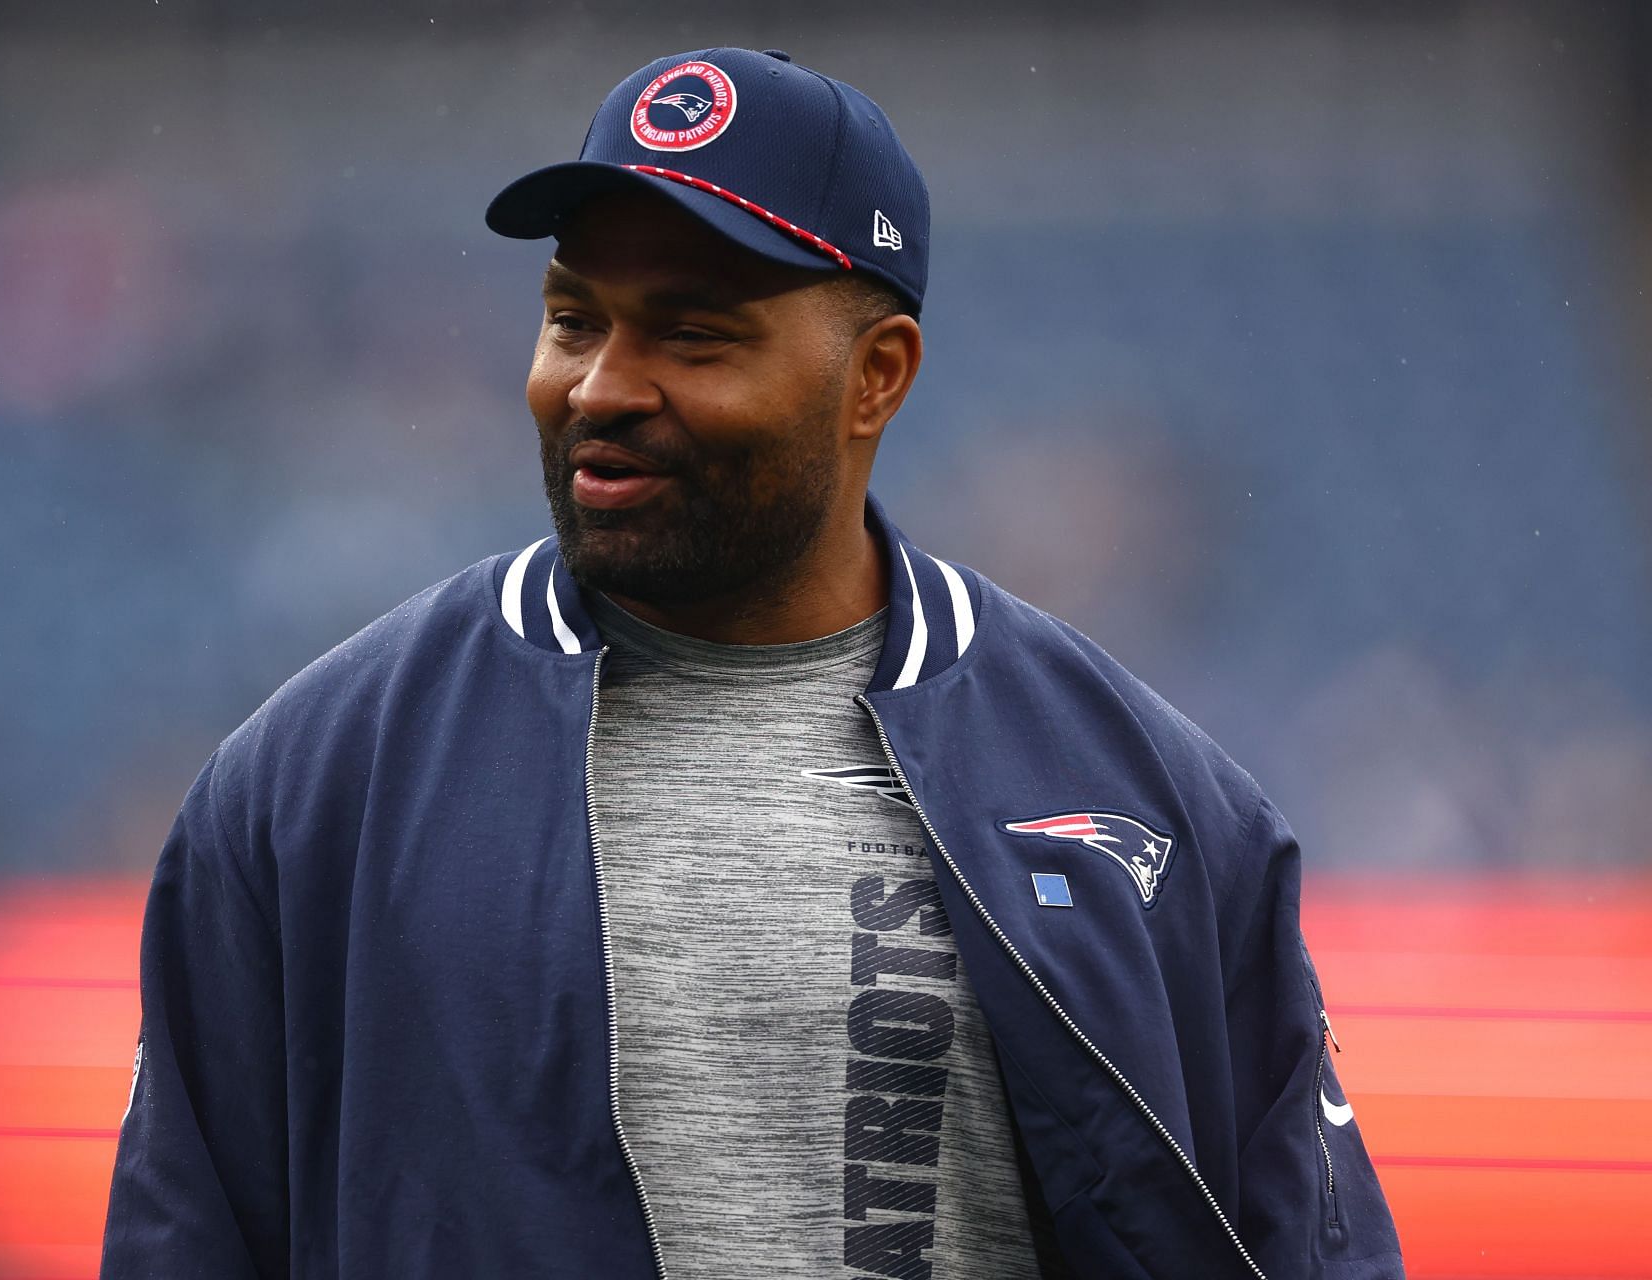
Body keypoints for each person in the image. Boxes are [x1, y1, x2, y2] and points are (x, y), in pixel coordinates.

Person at [100, 47, 1404, 1280]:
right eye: (573, 319)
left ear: (874, 377)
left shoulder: (1153, 802)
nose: (602, 385)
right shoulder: (312, 783)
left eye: (695, 335)